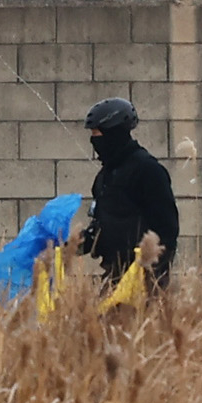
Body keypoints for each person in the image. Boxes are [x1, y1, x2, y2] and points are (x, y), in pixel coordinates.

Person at [79, 98, 177, 287]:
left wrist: (149, 274)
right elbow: (103, 225)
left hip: (144, 277)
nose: (94, 141)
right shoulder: (105, 177)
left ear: (114, 133)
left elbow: (167, 230)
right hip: (113, 273)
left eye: (97, 134)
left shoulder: (148, 170)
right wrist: (74, 244)